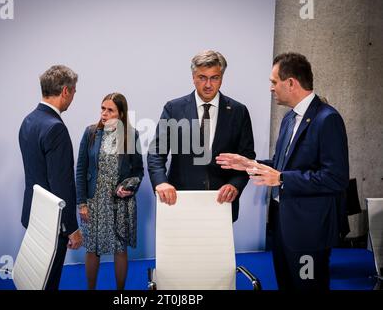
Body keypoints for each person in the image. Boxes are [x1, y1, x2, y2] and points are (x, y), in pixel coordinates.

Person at [216, 52, 349, 290]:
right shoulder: (289, 118)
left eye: (273, 82)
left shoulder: (327, 119)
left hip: (310, 232)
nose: (271, 88)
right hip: (283, 227)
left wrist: (282, 179)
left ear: (291, 83)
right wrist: (249, 164)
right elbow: (280, 164)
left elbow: (335, 178)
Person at [147, 50, 255, 221]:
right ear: (193, 77)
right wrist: (161, 182)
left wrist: (235, 185)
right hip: (179, 201)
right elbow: (156, 153)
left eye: (214, 77)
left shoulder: (239, 112)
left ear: (222, 78)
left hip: (222, 203)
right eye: (202, 77)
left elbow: (247, 158)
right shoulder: (173, 109)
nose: (208, 84)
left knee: (216, 249)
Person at [19, 65, 83, 290]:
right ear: (65, 91)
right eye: (74, 92)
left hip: (34, 214)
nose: (73, 97)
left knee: (36, 281)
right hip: (52, 223)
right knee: (48, 282)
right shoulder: (56, 128)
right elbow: (61, 183)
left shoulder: (29, 120)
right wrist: (71, 228)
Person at [76, 92, 144, 290]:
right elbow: (81, 169)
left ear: (121, 114)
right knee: (92, 249)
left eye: (110, 110)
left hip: (119, 204)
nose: (104, 113)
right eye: (102, 109)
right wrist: (81, 203)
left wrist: (129, 187)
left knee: (119, 249)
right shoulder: (90, 133)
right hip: (93, 202)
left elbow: (138, 171)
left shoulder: (132, 136)